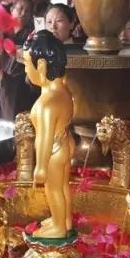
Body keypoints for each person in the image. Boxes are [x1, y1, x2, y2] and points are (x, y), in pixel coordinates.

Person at [23, 30, 74, 239]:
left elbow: (44, 137)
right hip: (66, 142)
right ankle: (65, 220)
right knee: (63, 186)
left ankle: (59, 228)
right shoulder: (64, 91)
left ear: (41, 66)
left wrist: (41, 166)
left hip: (53, 151)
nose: (26, 70)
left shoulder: (46, 103)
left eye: (27, 64)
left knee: (53, 189)